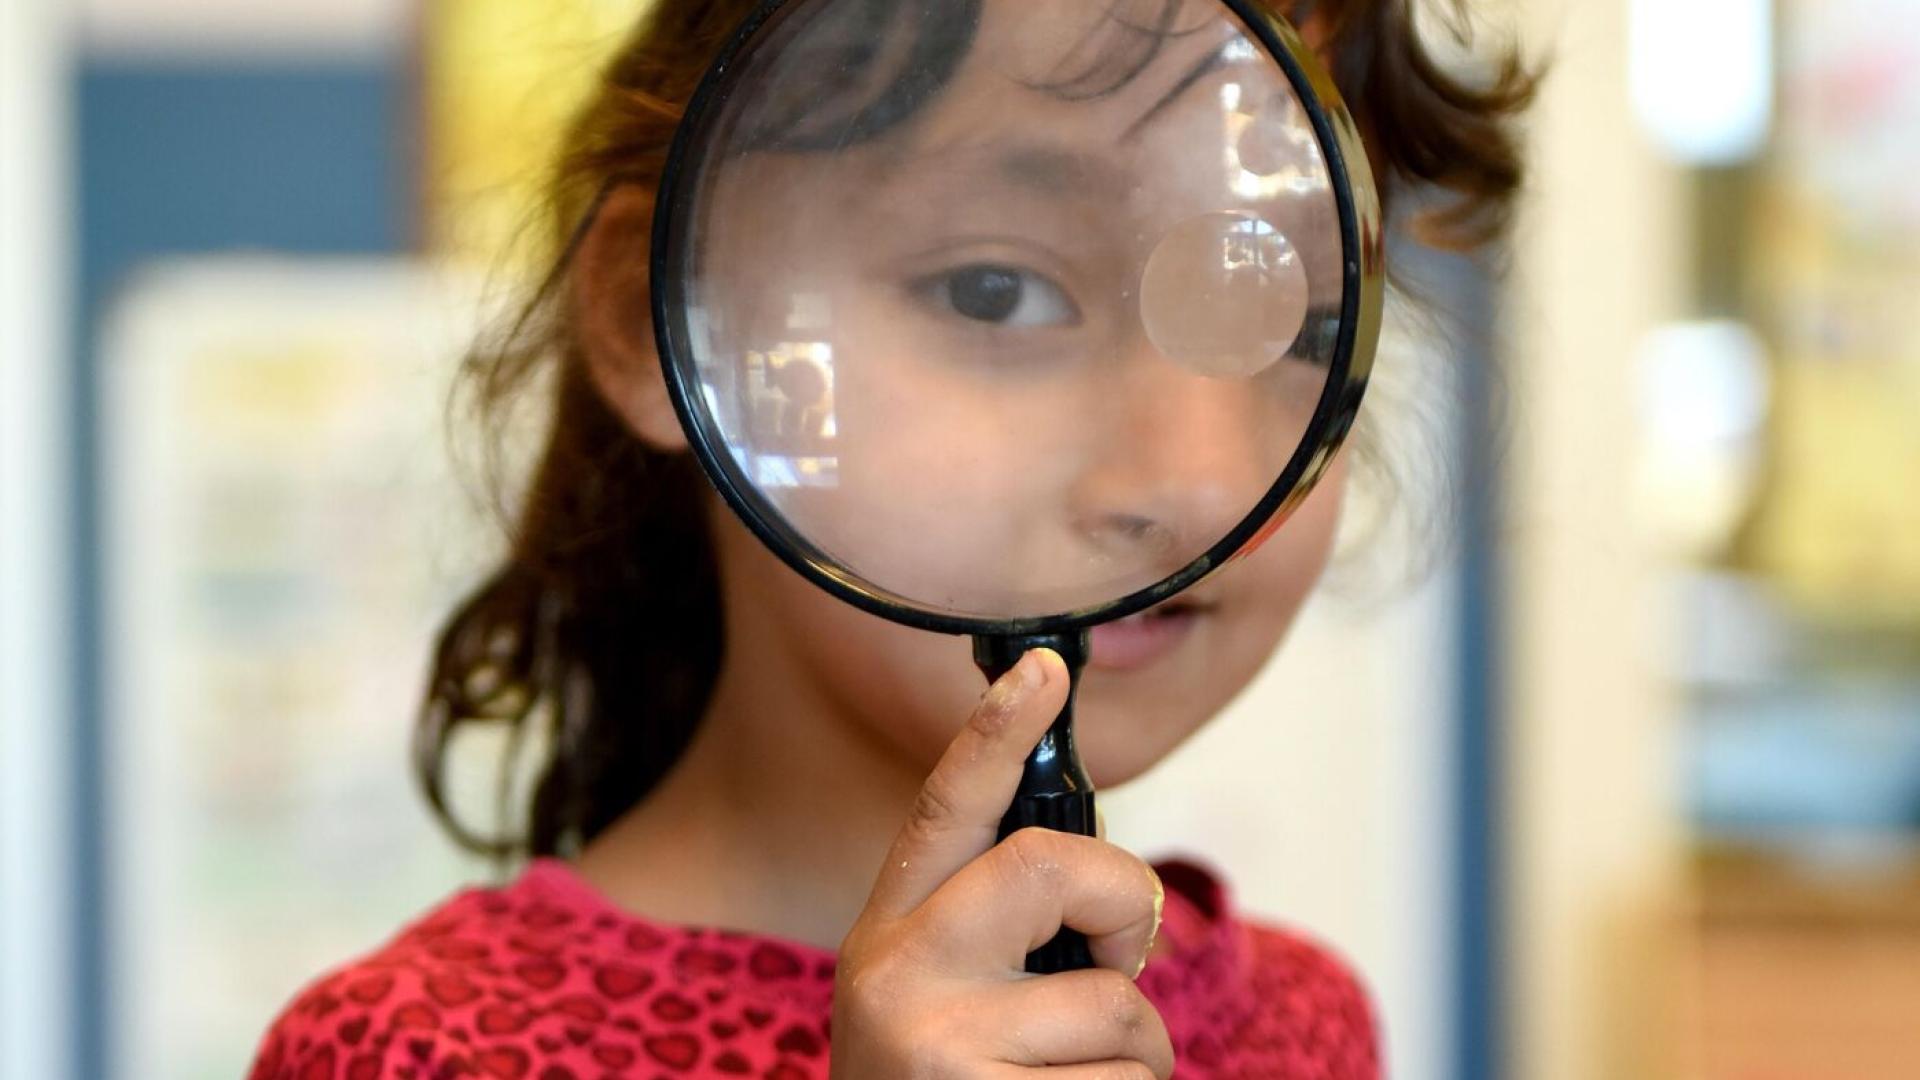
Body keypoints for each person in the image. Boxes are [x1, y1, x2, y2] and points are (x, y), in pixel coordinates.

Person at [248, 1, 1532, 1076]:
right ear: (652, 316)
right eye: (996, 290)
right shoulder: (414, 1054)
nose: (1200, 485)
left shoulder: (1301, 1027)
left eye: (1296, 323)